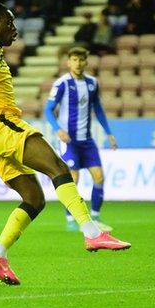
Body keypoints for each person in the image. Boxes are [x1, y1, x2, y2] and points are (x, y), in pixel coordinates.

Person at [0, 0, 131, 286]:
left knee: (35, 199)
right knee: (58, 166)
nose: (14, 31)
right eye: (9, 25)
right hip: (2, 125)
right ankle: (93, 233)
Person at [44, 46, 117, 232]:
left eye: (81, 60)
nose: (78, 63)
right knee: (73, 178)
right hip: (68, 141)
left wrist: (108, 133)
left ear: (86, 62)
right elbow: (48, 110)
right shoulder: (62, 83)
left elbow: (98, 109)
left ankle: (95, 217)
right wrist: (57, 129)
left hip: (87, 140)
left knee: (99, 177)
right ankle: (70, 219)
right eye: (74, 60)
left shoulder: (92, 83)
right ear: (68, 62)